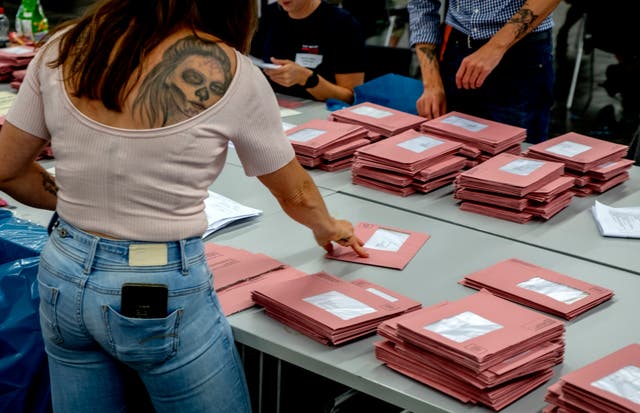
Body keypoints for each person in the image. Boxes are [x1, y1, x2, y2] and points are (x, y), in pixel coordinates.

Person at [0, 1, 368, 412]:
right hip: (156, 284)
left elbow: (7, 169)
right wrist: (327, 226)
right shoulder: (231, 70)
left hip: (62, 270)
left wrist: (79, 203)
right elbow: (294, 192)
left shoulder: (64, 47)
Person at [408, 0, 561, 143]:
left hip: (520, 54)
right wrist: (432, 83)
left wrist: (495, 47)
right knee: (446, 150)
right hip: (457, 51)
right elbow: (421, 4)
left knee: (515, 159)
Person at [251, 0, 366, 104]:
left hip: (321, 113)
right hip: (276, 108)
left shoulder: (342, 24)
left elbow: (350, 97)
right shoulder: (271, 15)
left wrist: (307, 78)